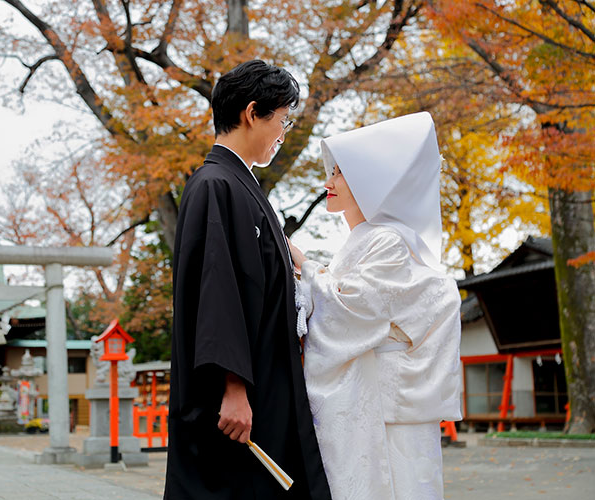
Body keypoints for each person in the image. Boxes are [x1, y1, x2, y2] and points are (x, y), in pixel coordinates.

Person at [164, 60, 332, 500]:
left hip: (264, 381)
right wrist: (233, 387)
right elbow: (216, 292)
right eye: (282, 120)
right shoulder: (215, 184)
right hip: (236, 398)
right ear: (252, 112)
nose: (284, 132)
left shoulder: (241, 184)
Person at [289, 112, 463, 500]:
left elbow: (354, 309)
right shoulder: (369, 241)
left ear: (373, 180)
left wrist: (304, 265)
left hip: (387, 405)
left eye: (339, 173)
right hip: (374, 401)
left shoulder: (388, 241)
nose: (328, 182)